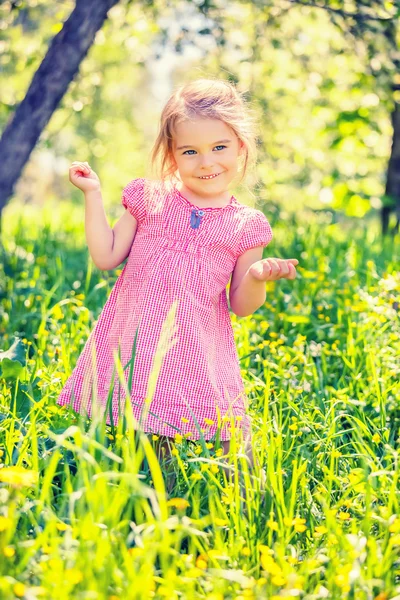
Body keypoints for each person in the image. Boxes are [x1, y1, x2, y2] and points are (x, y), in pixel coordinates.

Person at [56, 78, 298, 496]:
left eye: (219, 147)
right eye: (191, 151)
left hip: (200, 349)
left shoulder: (246, 225)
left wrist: (258, 278)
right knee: (150, 435)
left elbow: (241, 305)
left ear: (241, 146)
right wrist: (92, 195)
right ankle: (161, 498)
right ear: (172, 155)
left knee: (228, 435)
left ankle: (248, 507)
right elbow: (106, 256)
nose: (206, 162)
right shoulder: (148, 199)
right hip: (142, 343)